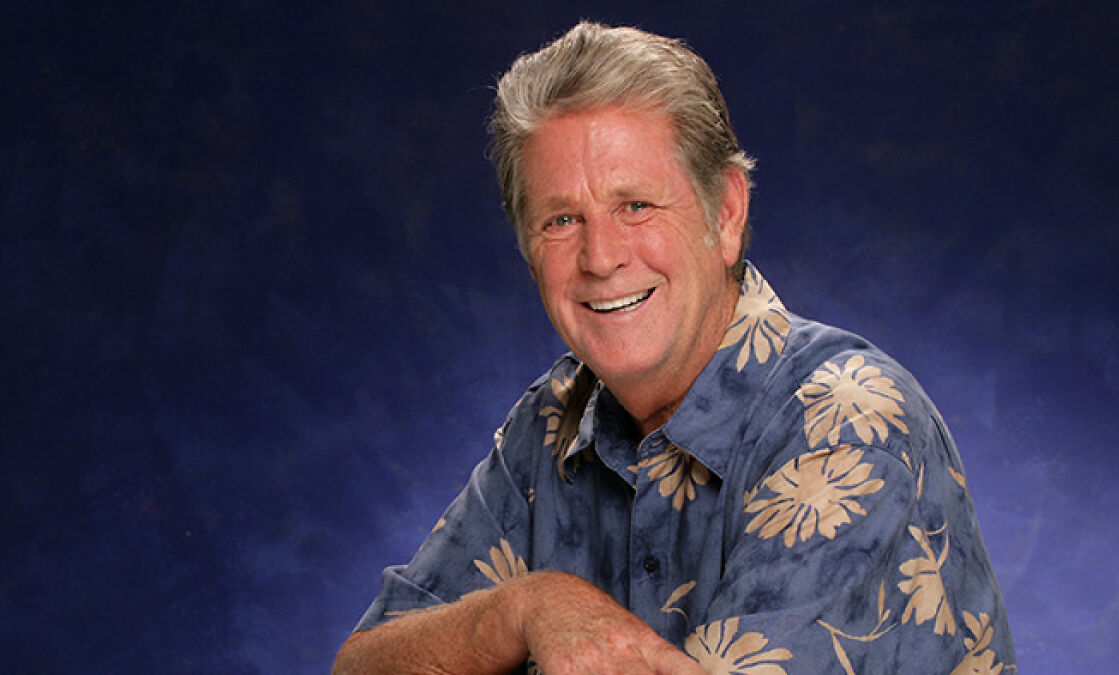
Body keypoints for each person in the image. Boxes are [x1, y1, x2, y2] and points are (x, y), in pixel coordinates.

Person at [334, 22, 1015, 674]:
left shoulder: (847, 419)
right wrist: (525, 606)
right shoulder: (551, 426)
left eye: (636, 205)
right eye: (562, 219)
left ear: (725, 214)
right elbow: (361, 665)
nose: (600, 257)